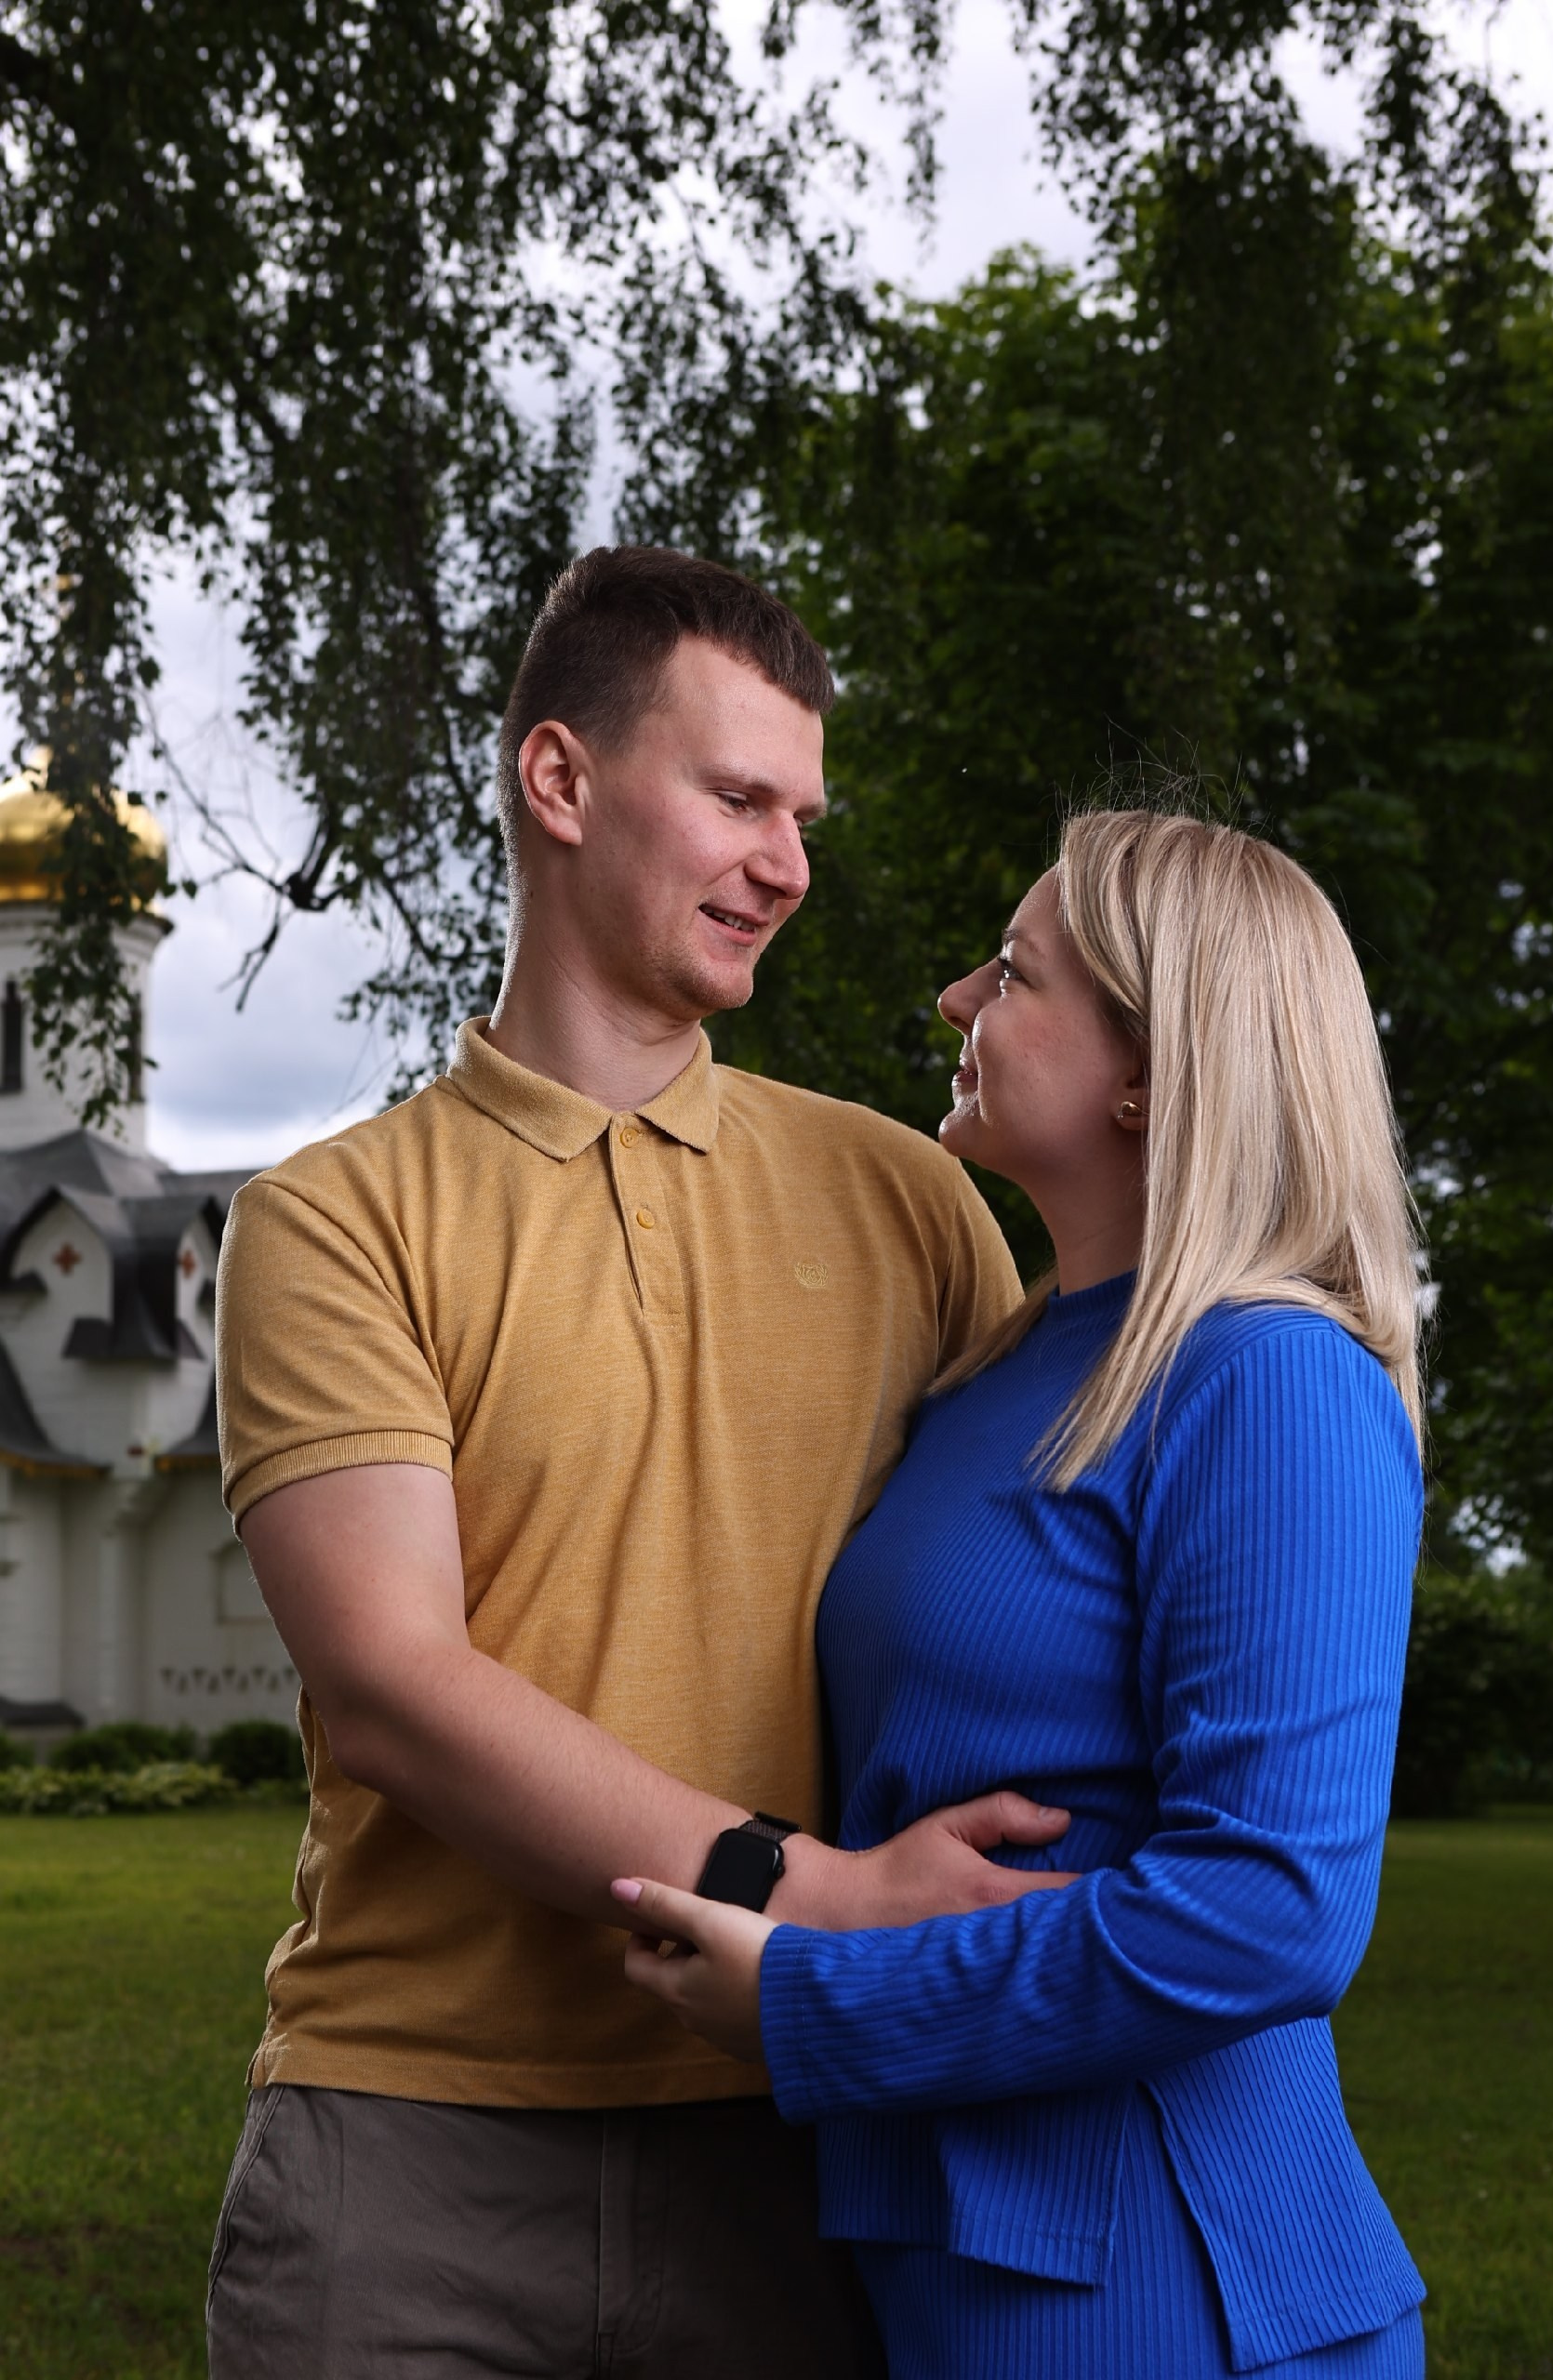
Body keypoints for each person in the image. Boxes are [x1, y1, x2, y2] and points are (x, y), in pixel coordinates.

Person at [206, 546, 1081, 2380]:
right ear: (561, 779)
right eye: (741, 798)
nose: (789, 863)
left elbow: (1042, 1598)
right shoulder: (333, 1221)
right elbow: (393, 1684)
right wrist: (814, 1891)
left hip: (804, 2120)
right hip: (408, 2142)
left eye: (803, 818)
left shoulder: (912, 1202)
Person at [618, 807, 1429, 2380]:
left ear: (1149, 1067)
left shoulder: (1269, 1375)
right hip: (940, 2251)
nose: (955, 1001)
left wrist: (813, 1999)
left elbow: (1273, 1910)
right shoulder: (999, 1366)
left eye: (1012, 971)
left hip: (1164, 2278)